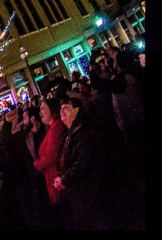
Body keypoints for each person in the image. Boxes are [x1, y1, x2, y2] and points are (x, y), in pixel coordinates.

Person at [54, 94, 111, 229]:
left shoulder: (84, 132)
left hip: (90, 192)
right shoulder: (69, 134)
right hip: (79, 193)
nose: (61, 111)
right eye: (60, 109)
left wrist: (64, 179)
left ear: (77, 110)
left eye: (66, 108)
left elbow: (83, 162)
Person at [33, 97, 67, 208]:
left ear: (52, 110)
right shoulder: (52, 127)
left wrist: (37, 164)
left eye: (43, 109)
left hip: (55, 175)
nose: (40, 112)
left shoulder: (55, 127)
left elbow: (50, 157)